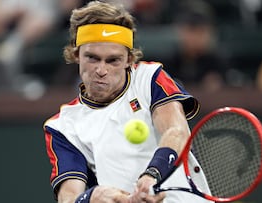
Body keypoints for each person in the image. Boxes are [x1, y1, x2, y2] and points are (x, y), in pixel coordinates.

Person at [44, 1, 212, 203]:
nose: (101, 70)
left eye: (113, 60)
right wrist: (90, 198)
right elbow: (69, 198)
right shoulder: (63, 126)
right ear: (76, 55)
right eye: (92, 58)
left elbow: (176, 132)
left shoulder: (150, 78)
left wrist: (152, 175)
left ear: (129, 60)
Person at [162, 0, 230, 91]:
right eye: (192, 31)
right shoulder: (169, 62)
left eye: (201, 31)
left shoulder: (218, 63)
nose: (196, 38)